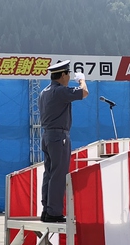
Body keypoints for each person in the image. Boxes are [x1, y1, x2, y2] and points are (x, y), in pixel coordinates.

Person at [38, 60, 88, 222]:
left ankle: (47, 209)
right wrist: (82, 80)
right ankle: (54, 212)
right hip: (59, 136)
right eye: (68, 74)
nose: (69, 77)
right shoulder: (60, 91)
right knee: (59, 174)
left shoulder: (44, 92)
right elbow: (84, 93)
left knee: (49, 173)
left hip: (47, 135)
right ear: (63, 75)